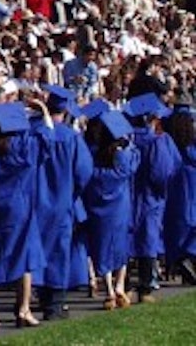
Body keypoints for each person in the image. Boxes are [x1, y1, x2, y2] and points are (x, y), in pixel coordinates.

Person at [0, 102, 47, 330]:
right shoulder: (24, 146)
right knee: (25, 256)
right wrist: (43, 110)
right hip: (19, 206)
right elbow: (46, 139)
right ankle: (23, 308)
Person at [33, 85, 93, 320]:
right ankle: (55, 303)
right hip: (62, 200)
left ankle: (40, 296)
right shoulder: (71, 137)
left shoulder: (34, 132)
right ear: (66, 111)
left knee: (39, 248)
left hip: (37, 201)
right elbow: (84, 172)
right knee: (58, 249)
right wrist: (73, 193)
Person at [123, 92, 181, 303]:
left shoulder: (127, 137)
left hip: (129, 195)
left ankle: (125, 285)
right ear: (152, 118)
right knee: (148, 239)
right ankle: (145, 287)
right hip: (150, 196)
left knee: (128, 239)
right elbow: (163, 172)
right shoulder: (158, 140)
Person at [83, 109, 139, 310]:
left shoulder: (95, 159)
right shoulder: (122, 158)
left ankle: (108, 291)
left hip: (99, 209)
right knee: (121, 245)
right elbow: (135, 161)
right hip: (120, 208)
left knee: (102, 246)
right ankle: (120, 286)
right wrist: (129, 143)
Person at [164, 103, 196, 284]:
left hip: (174, 183)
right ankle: (188, 254)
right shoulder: (192, 144)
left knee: (177, 225)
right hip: (191, 182)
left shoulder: (167, 140)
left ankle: (178, 261)